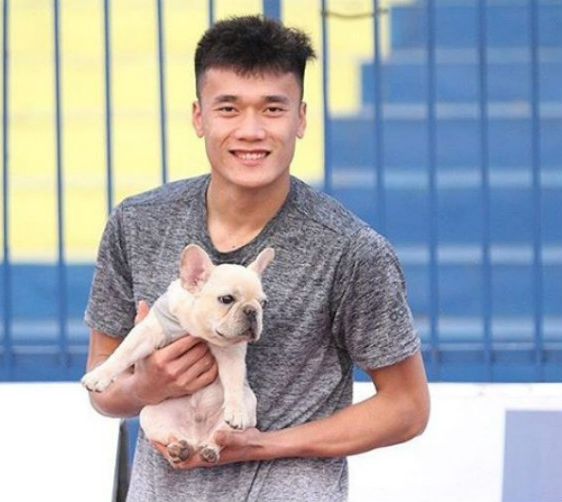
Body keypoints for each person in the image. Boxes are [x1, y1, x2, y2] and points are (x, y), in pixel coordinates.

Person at [84, 14, 429, 502]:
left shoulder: (351, 249)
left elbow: (407, 408)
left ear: (301, 118)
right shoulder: (138, 223)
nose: (251, 130)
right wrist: (145, 387)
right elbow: (101, 383)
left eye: (272, 109)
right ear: (199, 117)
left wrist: (263, 445)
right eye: (228, 108)